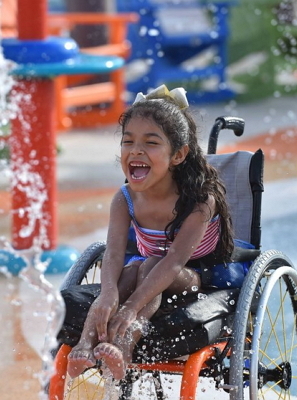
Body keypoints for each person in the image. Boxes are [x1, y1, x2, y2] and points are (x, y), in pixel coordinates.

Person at [65, 85, 235, 381]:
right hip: (147, 268)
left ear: (178, 155)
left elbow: (173, 263)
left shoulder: (199, 200)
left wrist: (129, 308)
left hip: (194, 275)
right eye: (127, 141)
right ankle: (83, 347)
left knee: (151, 264)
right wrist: (108, 294)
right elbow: (114, 252)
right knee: (128, 273)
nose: (136, 150)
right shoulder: (124, 198)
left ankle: (125, 346)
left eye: (151, 143)